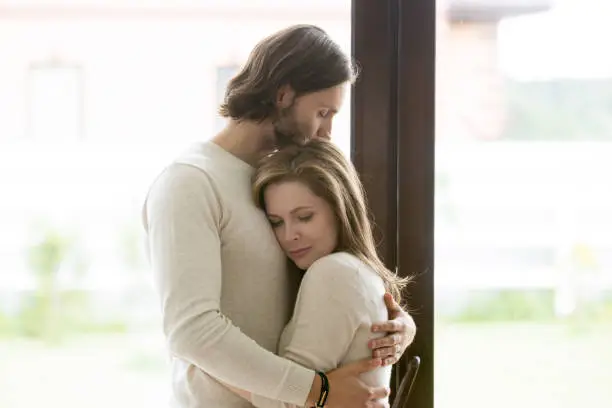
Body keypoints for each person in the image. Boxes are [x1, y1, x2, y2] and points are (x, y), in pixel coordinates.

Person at [142, 24, 416, 408]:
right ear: (283, 94)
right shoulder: (190, 182)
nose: (327, 133)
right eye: (322, 112)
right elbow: (192, 331)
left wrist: (392, 322)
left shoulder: (276, 183)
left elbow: (319, 281)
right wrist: (317, 392)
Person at [218, 139, 412, 408]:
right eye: (276, 222)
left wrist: (207, 361)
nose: (289, 236)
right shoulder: (357, 271)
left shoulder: (335, 273)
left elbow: (289, 403)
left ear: (340, 208)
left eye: (305, 217)